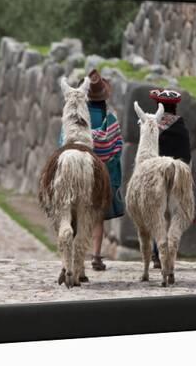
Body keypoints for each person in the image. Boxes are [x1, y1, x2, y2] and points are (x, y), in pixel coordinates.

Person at [59, 69, 124, 272]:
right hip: (100, 173)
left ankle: (70, 261)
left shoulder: (77, 118)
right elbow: (117, 149)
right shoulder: (110, 119)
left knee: (71, 212)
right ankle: (96, 256)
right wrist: (110, 176)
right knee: (96, 217)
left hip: (73, 165)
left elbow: (63, 142)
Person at [147, 88, 191, 269]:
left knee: (157, 214)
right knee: (173, 215)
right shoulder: (182, 129)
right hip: (177, 177)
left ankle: (157, 254)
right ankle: (167, 252)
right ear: (175, 108)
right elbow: (186, 156)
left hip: (157, 176)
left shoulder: (153, 128)